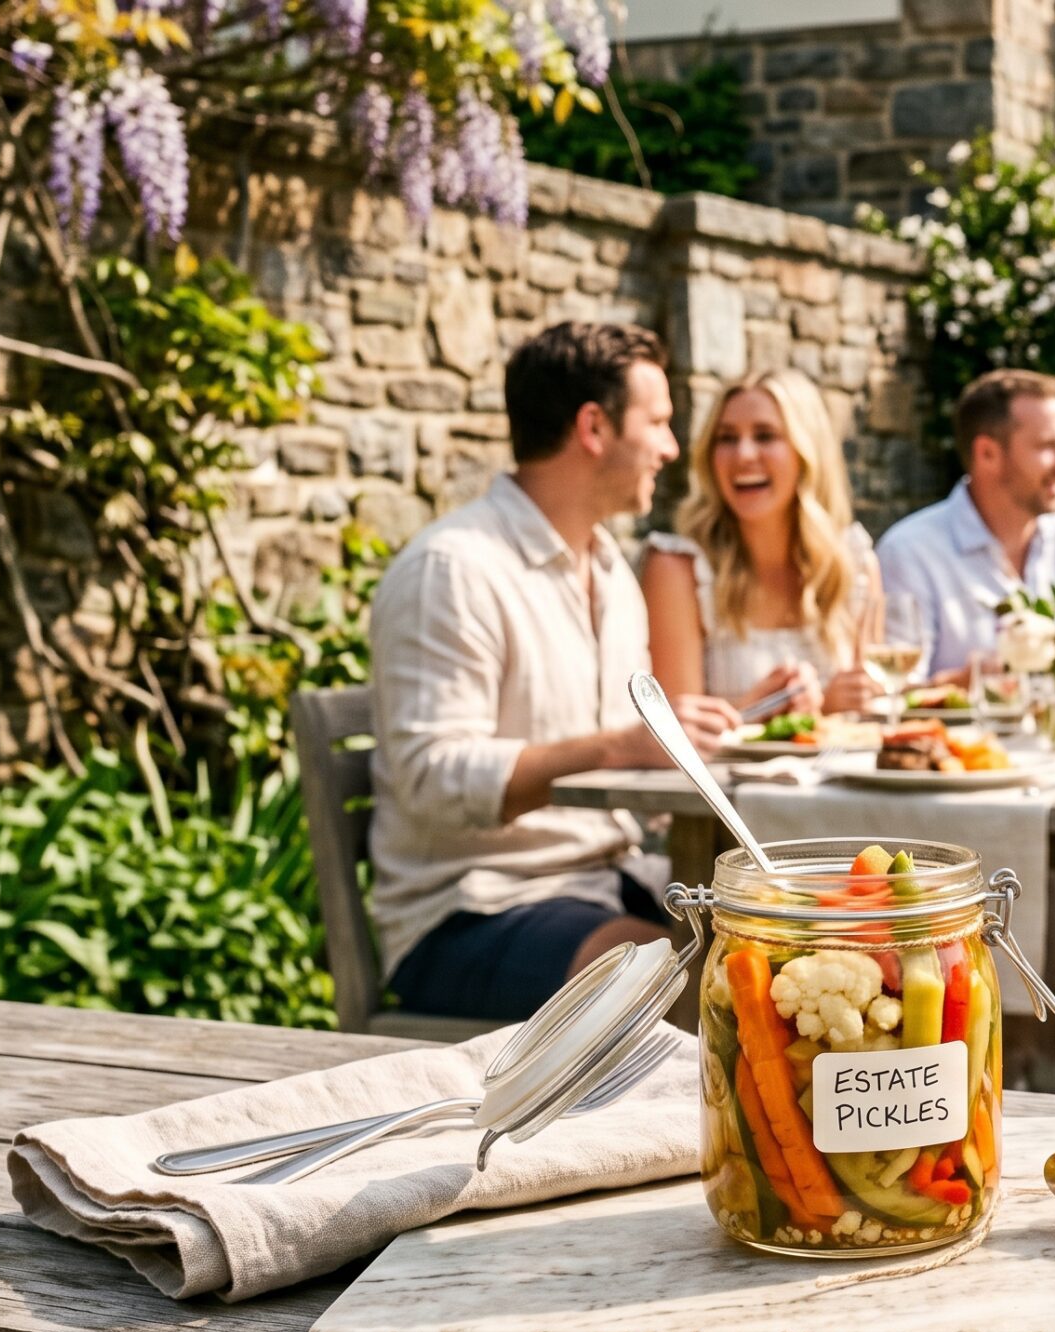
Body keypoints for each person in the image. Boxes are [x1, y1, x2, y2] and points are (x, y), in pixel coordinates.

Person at [367, 322, 734, 1022]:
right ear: (594, 426)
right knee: (695, 989)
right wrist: (616, 747)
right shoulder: (453, 570)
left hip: (611, 879)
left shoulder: (609, 573)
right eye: (657, 421)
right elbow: (429, 776)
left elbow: (633, 772)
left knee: (793, 944)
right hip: (472, 910)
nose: (671, 446)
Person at [642, 368, 884, 715]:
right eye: (726, 438)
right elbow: (675, 745)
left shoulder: (854, 564)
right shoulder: (679, 568)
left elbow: (876, 712)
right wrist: (756, 713)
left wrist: (847, 702)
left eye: (765, 436)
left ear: (807, 451)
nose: (743, 455)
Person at [875, 369, 1055, 680]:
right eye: (1047, 446)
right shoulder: (908, 552)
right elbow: (891, 694)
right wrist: (969, 683)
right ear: (987, 454)